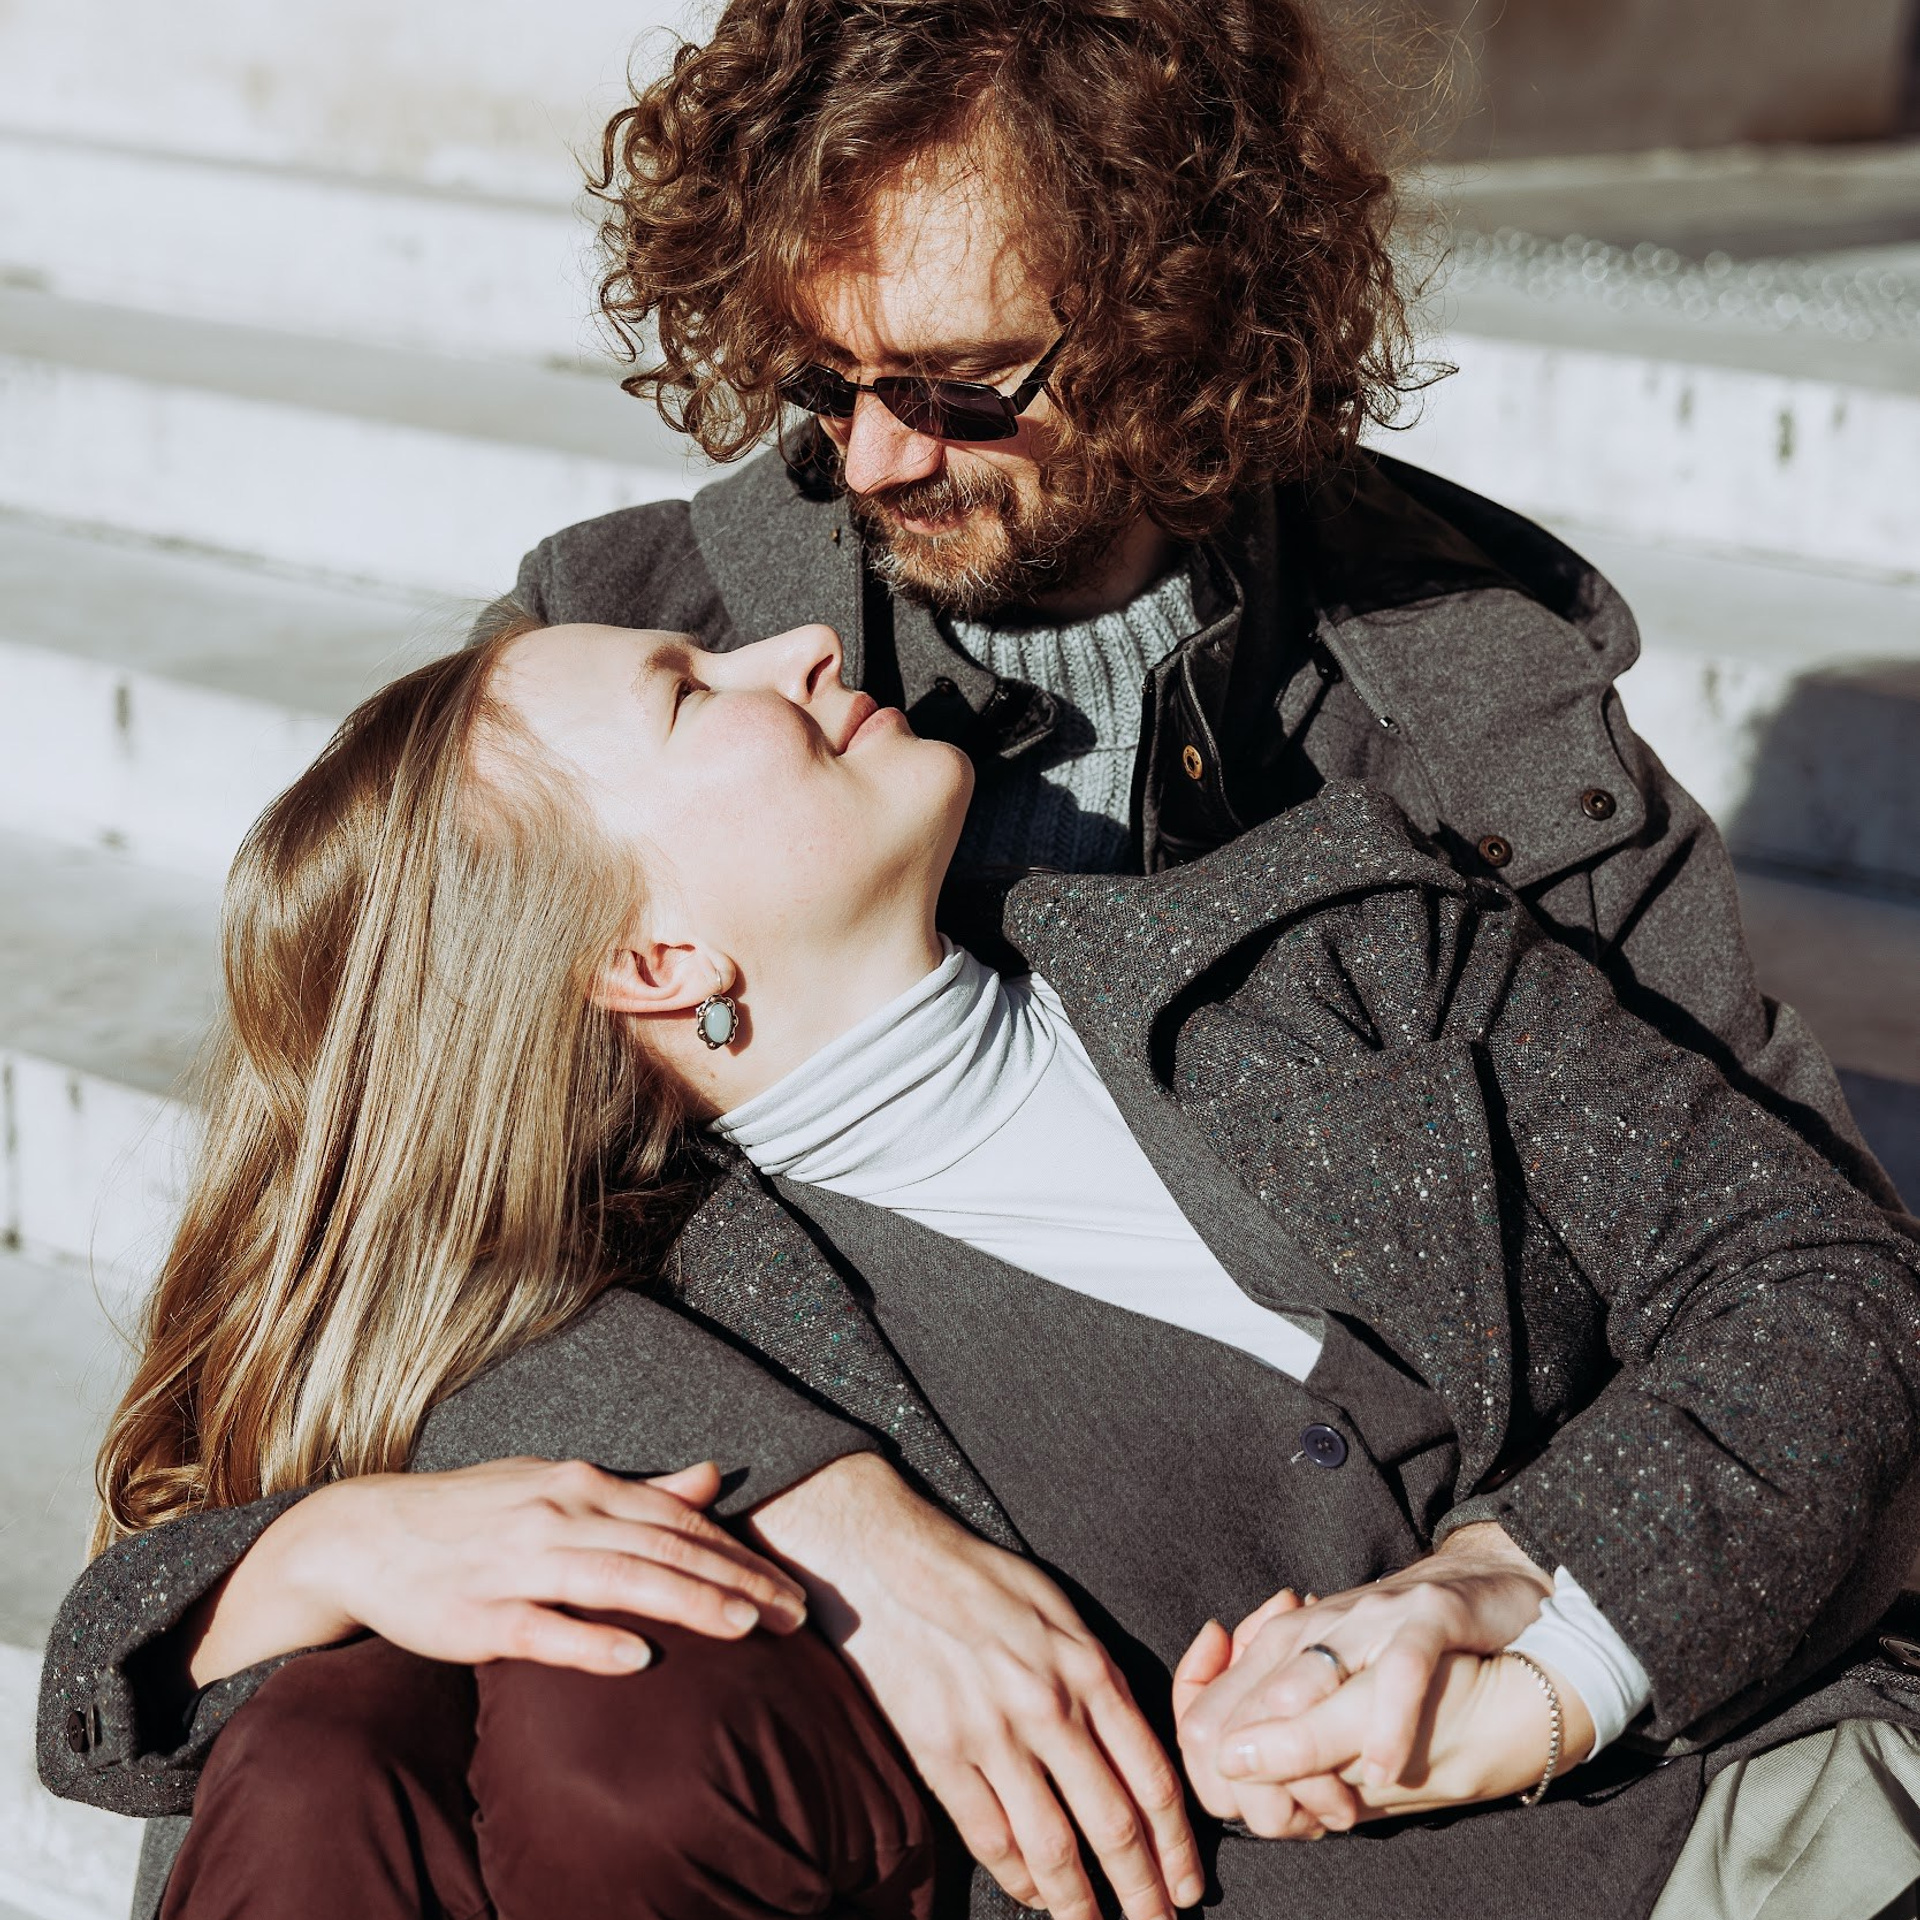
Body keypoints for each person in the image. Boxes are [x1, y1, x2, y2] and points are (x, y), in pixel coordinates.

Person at [40, 617, 1920, 1920]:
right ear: (653, 965)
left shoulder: (1334, 946)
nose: (801, 652)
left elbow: (1827, 1273)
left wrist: (1539, 1611)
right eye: (701, 695)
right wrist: (310, 1549)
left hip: (1805, 1806)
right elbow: (316, 1466)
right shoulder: (655, 1344)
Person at [512, 0, 1900, 1217]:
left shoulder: (1479, 686)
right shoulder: (605, 636)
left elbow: (1806, 1258)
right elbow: (394, 1209)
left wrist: (1526, 1530)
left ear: (1180, 311)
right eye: (824, 378)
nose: (874, 457)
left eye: (961, 388)